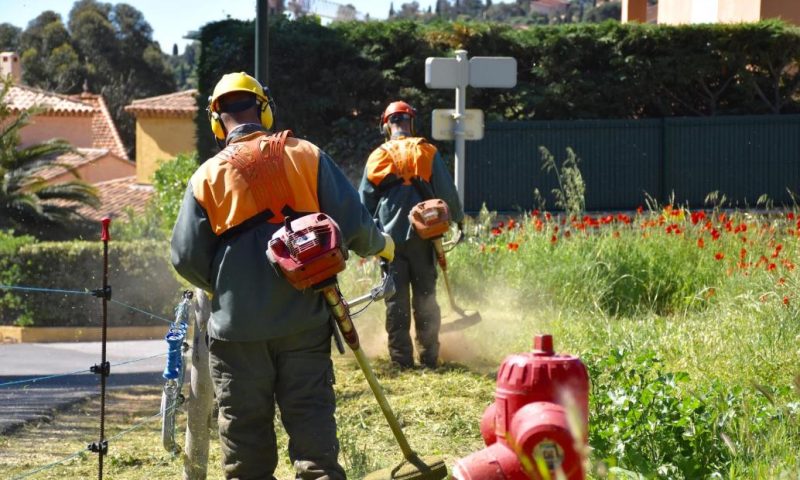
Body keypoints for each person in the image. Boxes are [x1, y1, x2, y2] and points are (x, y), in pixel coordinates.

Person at [171, 72, 394, 480]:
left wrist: (226, 288)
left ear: (216, 122)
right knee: (314, 443)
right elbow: (357, 228)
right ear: (266, 109)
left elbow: (185, 258)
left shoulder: (206, 177)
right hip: (305, 321)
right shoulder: (307, 154)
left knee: (246, 453)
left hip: (237, 334)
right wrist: (384, 246)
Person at [358, 100, 464, 369]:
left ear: (386, 125)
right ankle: (429, 357)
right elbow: (447, 193)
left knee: (396, 300)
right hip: (424, 238)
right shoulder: (426, 151)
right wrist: (459, 220)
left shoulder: (377, 156)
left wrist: (365, 238)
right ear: (410, 123)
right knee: (426, 297)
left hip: (389, 241)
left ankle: (401, 360)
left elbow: (364, 205)